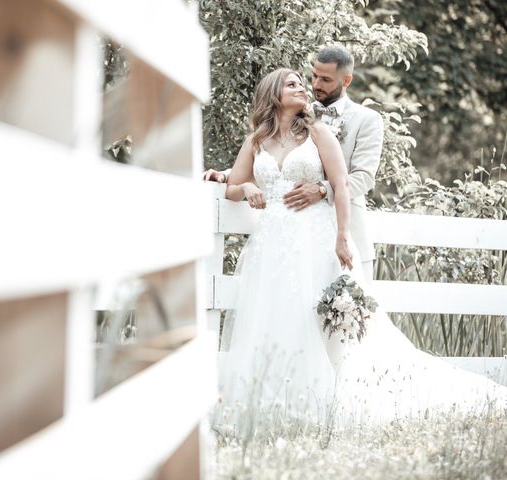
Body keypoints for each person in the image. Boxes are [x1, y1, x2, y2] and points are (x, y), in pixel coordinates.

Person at [213, 67, 507, 439]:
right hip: (272, 243)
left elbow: (340, 184)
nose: (303, 88)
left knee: (318, 320)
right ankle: (275, 407)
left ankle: (326, 405)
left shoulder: (317, 132)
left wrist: (341, 237)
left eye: (303, 83)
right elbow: (234, 186)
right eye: (292, 84)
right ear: (272, 93)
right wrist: (248, 192)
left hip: (316, 239)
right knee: (274, 317)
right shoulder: (257, 140)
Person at [204, 45, 383, 283]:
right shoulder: (298, 113)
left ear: (346, 80)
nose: (315, 84)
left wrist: (321, 189)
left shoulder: (366, 119)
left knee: (346, 314)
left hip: (339, 234)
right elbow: (276, 165)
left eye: (326, 79)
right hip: (282, 238)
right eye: (314, 76)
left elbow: (363, 177)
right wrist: (228, 176)